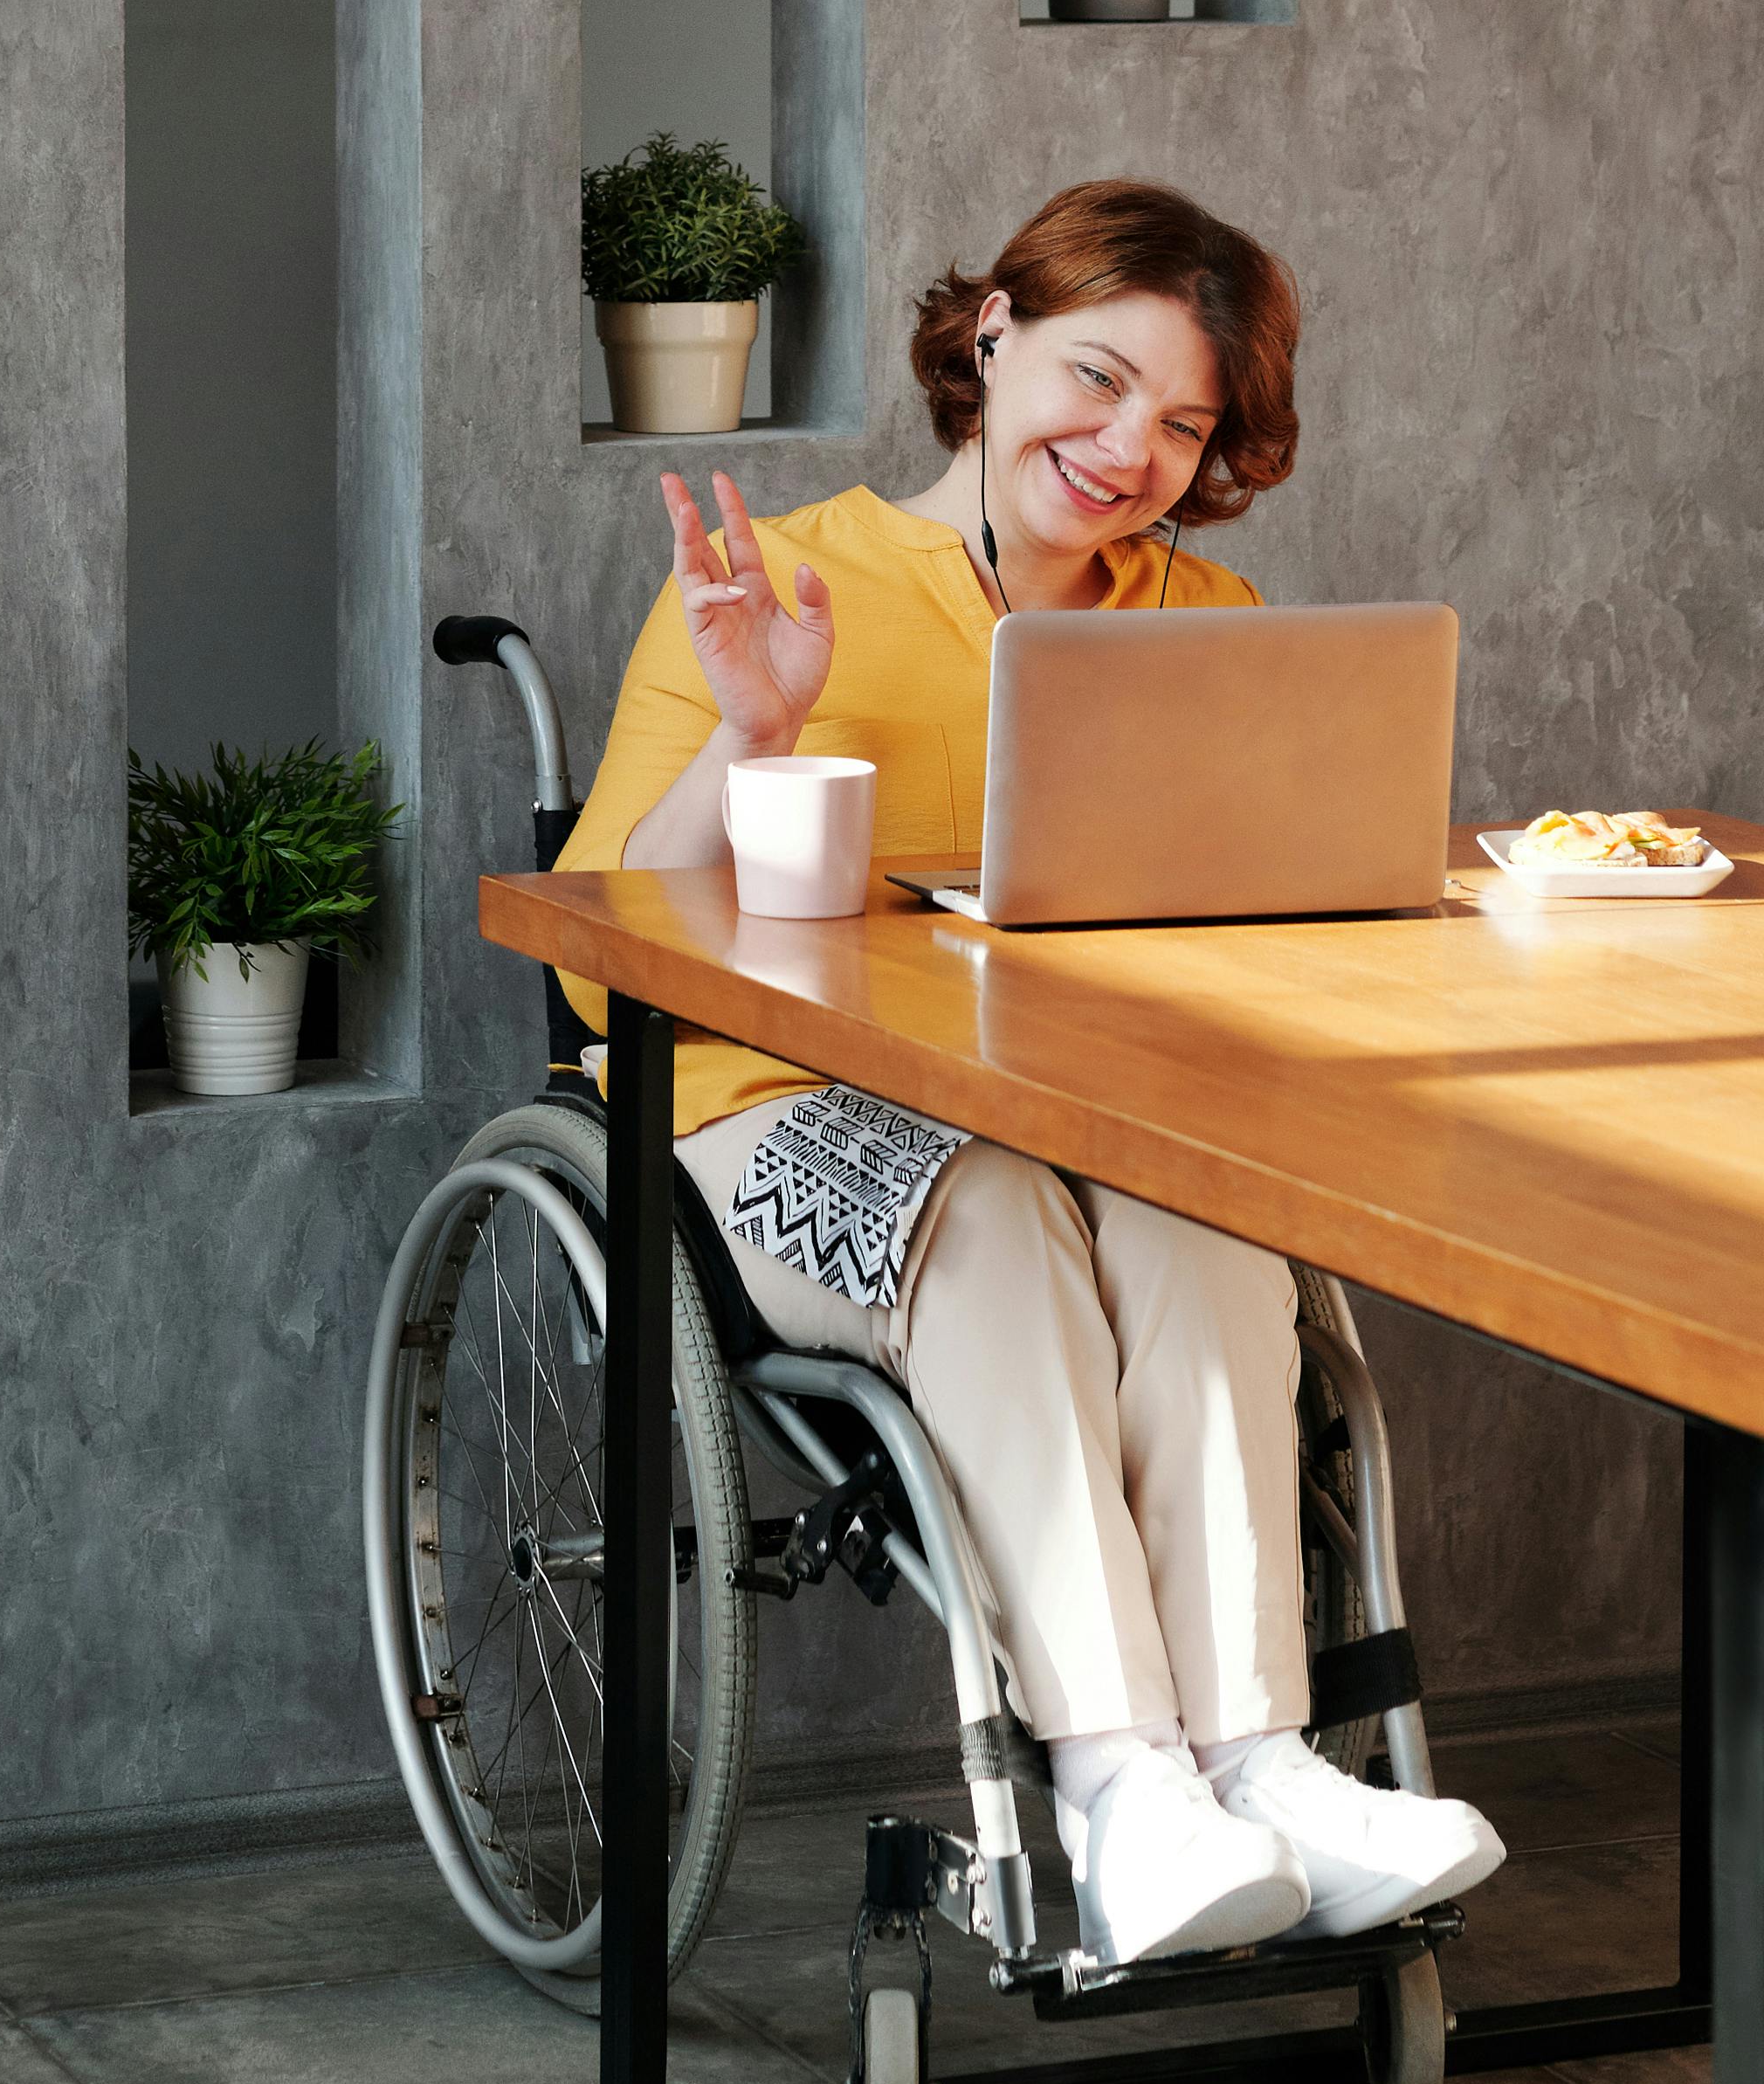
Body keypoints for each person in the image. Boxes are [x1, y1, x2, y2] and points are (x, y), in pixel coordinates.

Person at [555, 173, 1503, 1970]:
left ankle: (1260, 1763)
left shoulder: (1204, 615)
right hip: (763, 1124)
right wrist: (756, 726)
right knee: (987, 1207)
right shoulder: (787, 581)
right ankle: (1119, 1785)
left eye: (1182, 422)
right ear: (988, 337)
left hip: (1082, 1122)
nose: (1127, 446)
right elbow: (613, 958)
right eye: (1094, 379)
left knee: (1208, 1210)